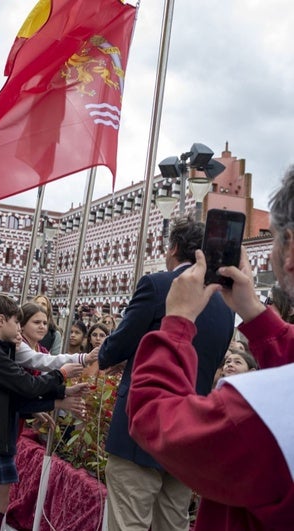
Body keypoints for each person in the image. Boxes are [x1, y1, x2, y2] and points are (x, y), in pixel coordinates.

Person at [127, 167, 294, 530]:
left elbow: (153, 416)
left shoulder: (265, 412)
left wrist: (177, 322)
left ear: (290, 249)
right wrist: (254, 313)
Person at [98, 216, 235, 531]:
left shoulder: (158, 284)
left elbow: (119, 344)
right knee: (173, 525)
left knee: (128, 521)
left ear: (173, 247)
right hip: (187, 435)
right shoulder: (226, 307)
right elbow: (212, 361)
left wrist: (106, 355)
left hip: (141, 427)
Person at [0, 295, 79, 530]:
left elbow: (17, 396)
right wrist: (61, 374)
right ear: (1, 321)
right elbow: (27, 385)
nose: (18, 327)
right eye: (15, 321)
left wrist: (60, 393)